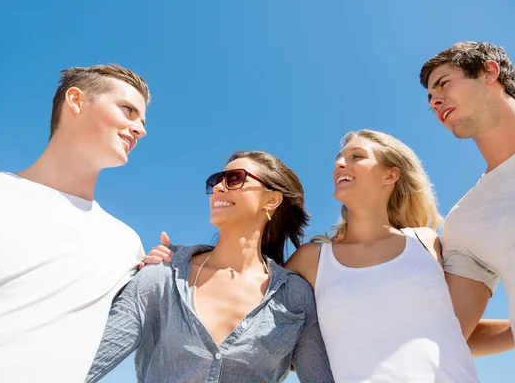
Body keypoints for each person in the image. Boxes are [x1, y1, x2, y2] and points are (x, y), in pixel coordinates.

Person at [147, 132, 513, 382]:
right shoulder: (312, 261)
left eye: (356, 157)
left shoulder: (427, 242)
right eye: (338, 158)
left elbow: (453, 332)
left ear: (391, 174)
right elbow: (250, 303)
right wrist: (180, 262)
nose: (340, 163)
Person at [86, 151, 334, 383]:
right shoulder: (161, 276)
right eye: (216, 180)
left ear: (271, 200)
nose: (217, 187)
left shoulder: (295, 298)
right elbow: (83, 366)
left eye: (234, 179)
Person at [0, 65, 151, 383]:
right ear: (76, 101)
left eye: (142, 120)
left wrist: (155, 271)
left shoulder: (126, 246)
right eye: (127, 110)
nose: (140, 129)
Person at [421, 41, 515, 382]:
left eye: (443, 83)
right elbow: (449, 332)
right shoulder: (464, 219)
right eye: (430, 99)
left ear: (490, 71)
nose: (434, 100)